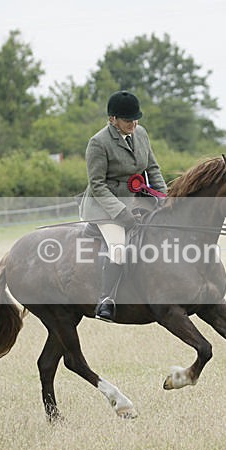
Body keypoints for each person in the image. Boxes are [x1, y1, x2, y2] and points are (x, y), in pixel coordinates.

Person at [79, 90, 167, 321]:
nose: (134, 123)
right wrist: (121, 213)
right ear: (112, 119)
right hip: (105, 207)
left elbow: (152, 169)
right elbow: (97, 186)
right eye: (128, 120)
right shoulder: (98, 143)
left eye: (136, 119)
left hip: (137, 200)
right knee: (119, 247)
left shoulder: (142, 134)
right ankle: (106, 300)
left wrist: (164, 197)